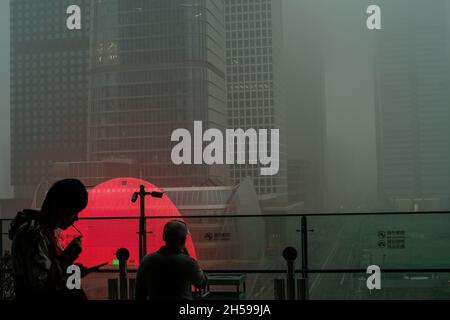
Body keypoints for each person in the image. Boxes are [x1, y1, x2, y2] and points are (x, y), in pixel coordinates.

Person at [8, 179, 88, 300]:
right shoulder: (33, 236)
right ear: (62, 209)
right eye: (75, 212)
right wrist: (69, 256)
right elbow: (43, 286)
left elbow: (52, 274)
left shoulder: (45, 233)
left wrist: (73, 273)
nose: (76, 218)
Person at [135, 220, 207, 300]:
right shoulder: (189, 263)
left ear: (163, 237)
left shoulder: (146, 261)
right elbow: (202, 283)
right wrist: (187, 256)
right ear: (184, 239)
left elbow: (139, 293)